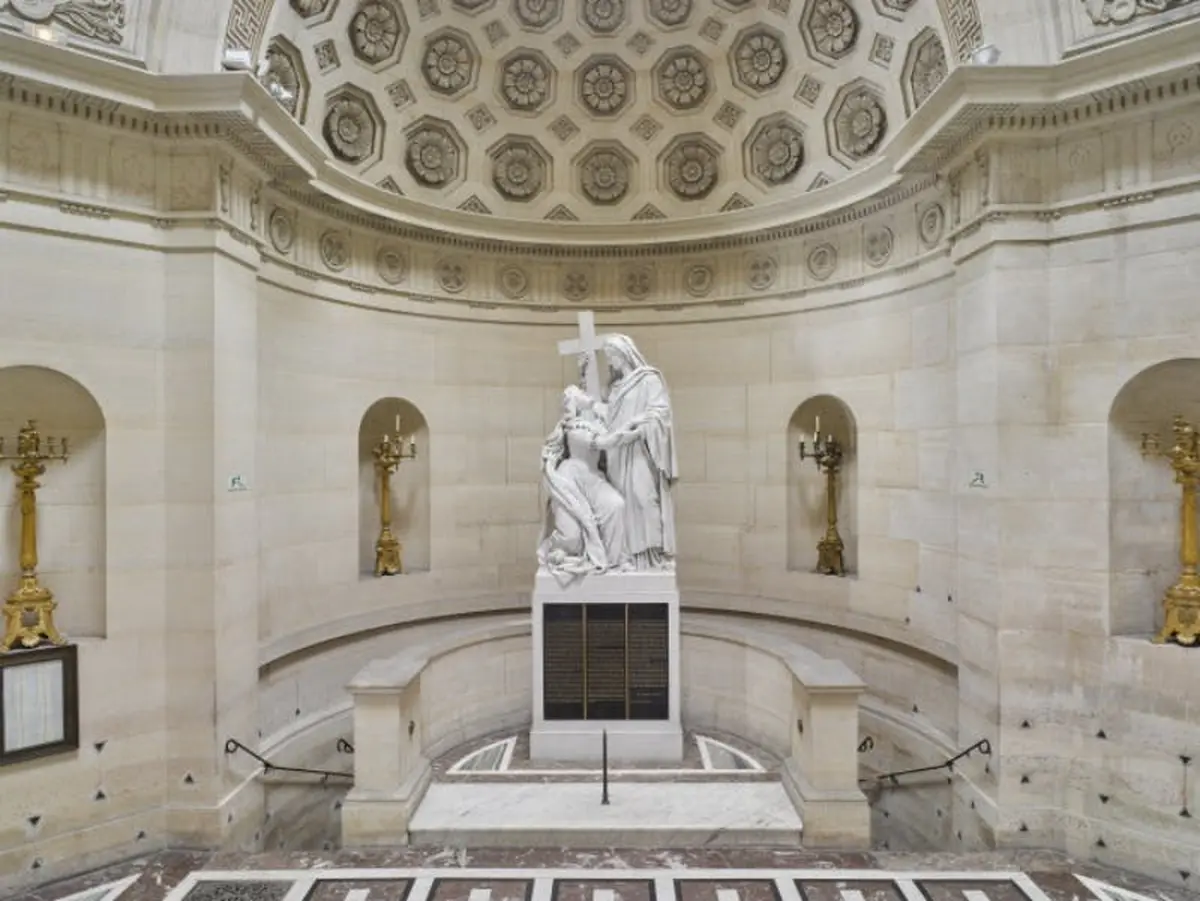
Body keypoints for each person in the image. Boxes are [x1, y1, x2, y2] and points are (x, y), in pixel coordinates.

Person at [592, 335, 677, 570]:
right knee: (621, 503)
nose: (610, 362)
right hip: (616, 456)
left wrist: (636, 428)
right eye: (608, 357)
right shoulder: (614, 387)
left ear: (624, 354)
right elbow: (608, 416)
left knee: (643, 498)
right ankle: (625, 556)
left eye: (612, 356)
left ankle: (651, 557)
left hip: (640, 450)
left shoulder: (648, 379)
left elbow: (660, 414)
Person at [537, 385, 627, 581]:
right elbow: (602, 443)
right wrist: (631, 432)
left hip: (594, 477)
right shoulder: (573, 426)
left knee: (616, 504)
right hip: (571, 478)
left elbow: (612, 420)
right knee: (572, 537)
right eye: (578, 398)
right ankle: (558, 550)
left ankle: (613, 563)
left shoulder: (599, 423)